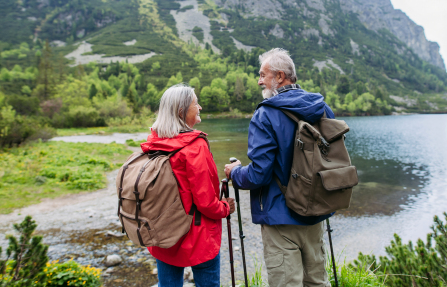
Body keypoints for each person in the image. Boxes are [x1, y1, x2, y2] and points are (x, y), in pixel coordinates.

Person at [224, 48, 334, 287]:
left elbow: (259, 174)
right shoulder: (322, 108)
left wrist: (236, 174)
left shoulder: (266, 114)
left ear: (280, 76)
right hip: (316, 210)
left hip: (280, 216)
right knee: (317, 281)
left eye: (263, 74)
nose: (259, 80)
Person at [142, 84, 235, 287]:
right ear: (182, 111)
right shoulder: (195, 147)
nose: (200, 107)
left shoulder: (154, 141)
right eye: (196, 103)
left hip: (164, 231)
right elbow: (206, 202)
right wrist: (226, 207)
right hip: (197, 236)